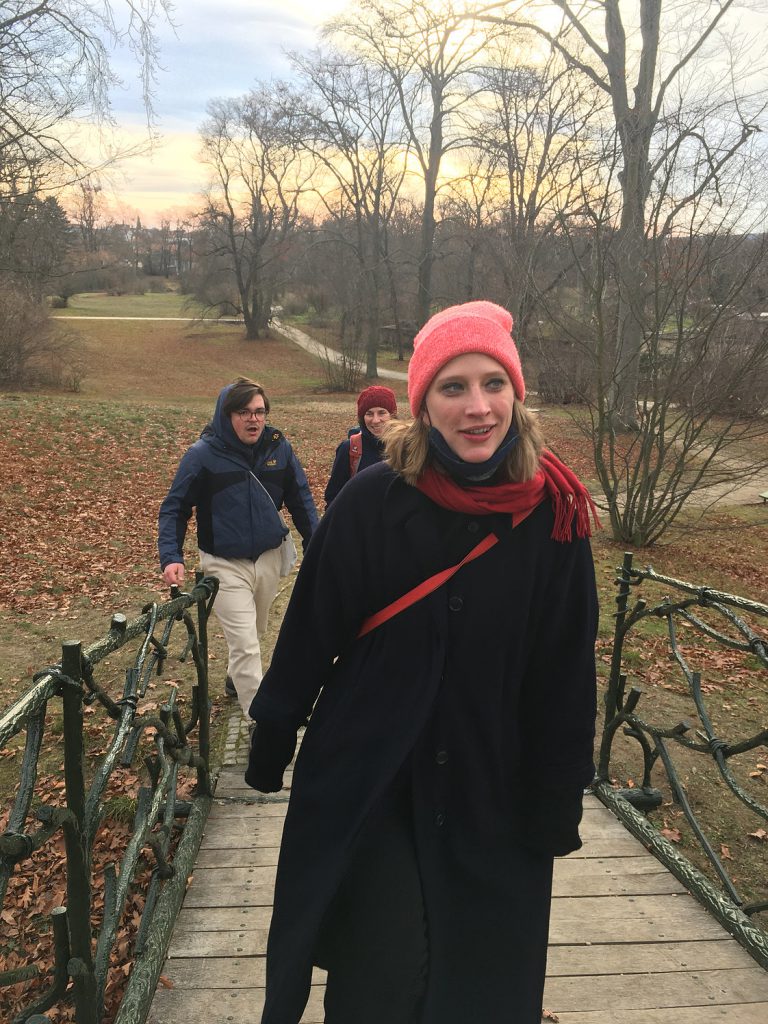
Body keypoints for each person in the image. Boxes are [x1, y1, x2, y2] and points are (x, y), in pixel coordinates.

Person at [246, 301, 599, 1024]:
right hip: (373, 772)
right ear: (423, 403)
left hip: (493, 780)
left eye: (494, 384)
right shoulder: (371, 500)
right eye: (453, 387)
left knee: (481, 978)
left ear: (516, 394)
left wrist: (558, 794)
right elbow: (312, 625)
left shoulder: (552, 514)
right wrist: (274, 734)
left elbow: (564, 671)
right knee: (381, 970)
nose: (478, 407)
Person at [158, 377, 318, 722]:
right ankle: (260, 722)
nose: (253, 419)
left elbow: (301, 499)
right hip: (224, 563)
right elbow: (175, 507)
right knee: (245, 644)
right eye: (244, 412)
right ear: (226, 415)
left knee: (255, 632)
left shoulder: (278, 448)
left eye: (259, 411)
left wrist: (317, 544)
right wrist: (171, 556)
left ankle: (236, 678)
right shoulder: (202, 455)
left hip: (269, 557)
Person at [323, 384, 398, 506]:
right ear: (362, 418)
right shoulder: (349, 449)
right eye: (369, 414)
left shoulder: (406, 447)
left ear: (392, 415)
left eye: (381, 413)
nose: (375, 420)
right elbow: (333, 497)